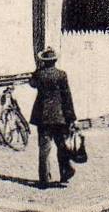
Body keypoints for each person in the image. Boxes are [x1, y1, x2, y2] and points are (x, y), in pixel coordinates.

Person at [28, 47, 77, 189]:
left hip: (42, 117)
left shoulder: (39, 74)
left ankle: (44, 179)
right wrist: (71, 117)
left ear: (43, 61)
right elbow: (67, 97)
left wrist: (37, 70)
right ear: (55, 60)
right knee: (61, 146)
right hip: (59, 116)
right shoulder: (61, 75)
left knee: (44, 148)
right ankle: (65, 174)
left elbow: (31, 84)